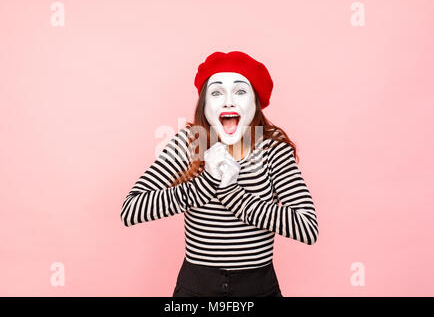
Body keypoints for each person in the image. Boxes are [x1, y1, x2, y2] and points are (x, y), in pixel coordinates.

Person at [120, 51, 319, 297]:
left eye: (240, 91)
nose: (227, 101)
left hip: (258, 287)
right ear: (204, 105)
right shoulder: (189, 143)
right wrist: (207, 182)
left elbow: (307, 228)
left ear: (255, 102)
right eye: (216, 93)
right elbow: (131, 210)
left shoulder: (272, 148)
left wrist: (232, 193)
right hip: (196, 287)